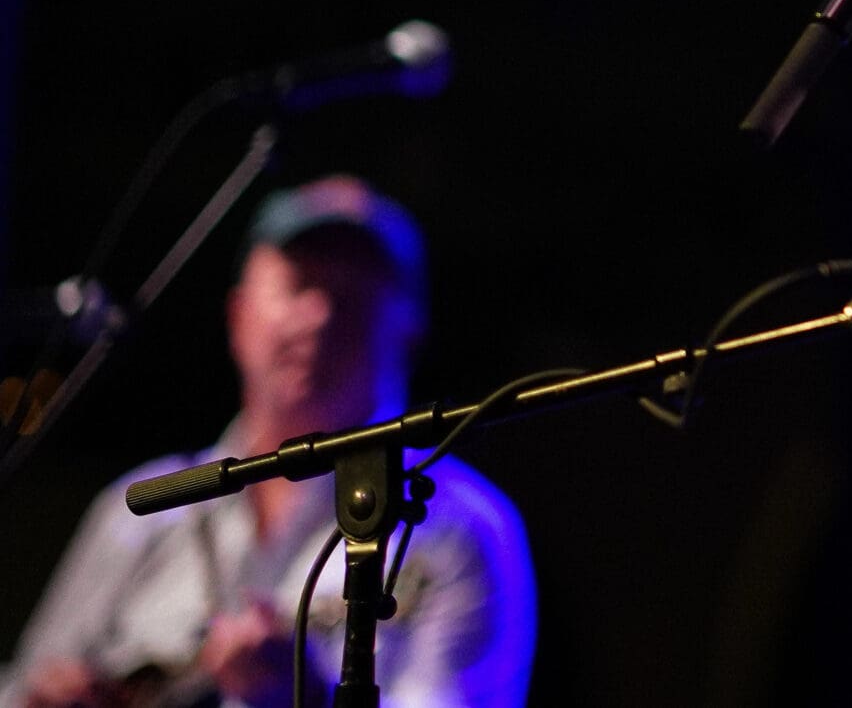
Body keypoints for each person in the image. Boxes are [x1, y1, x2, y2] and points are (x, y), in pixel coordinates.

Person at [1, 177, 536, 708]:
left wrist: (308, 698)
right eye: (298, 284)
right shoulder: (142, 508)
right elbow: (24, 684)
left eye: (352, 295)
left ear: (409, 329)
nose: (319, 316)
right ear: (238, 315)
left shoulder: (462, 531)